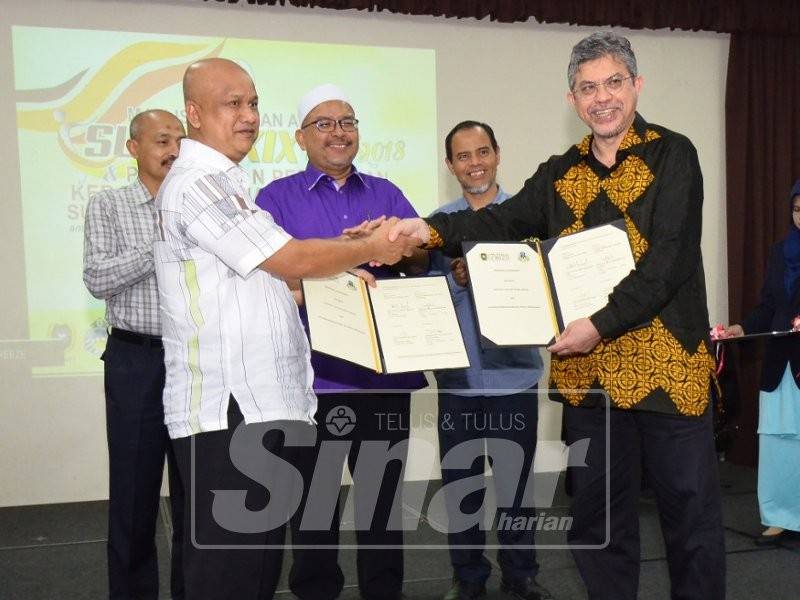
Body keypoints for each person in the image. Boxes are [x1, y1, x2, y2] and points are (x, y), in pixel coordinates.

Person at [388, 32, 725, 600]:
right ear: (572, 99)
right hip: (589, 381)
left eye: (614, 83)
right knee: (599, 524)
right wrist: (430, 231)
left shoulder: (675, 154)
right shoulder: (558, 173)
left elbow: (668, 263)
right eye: (588, 87)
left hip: (668, 369)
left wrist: (597, 324)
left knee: (690, 521)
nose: (603, 98)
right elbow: (502, 221)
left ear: (636, 86)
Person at [154, 60, 421, 600]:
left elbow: (273, 286)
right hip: (228, 414)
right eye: (233, 104)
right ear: (194, 113)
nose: (249, 116)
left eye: (253, 103)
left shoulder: (229, 185)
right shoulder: (200, 186)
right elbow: (291, 258)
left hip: (261, 409)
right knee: (232, 574)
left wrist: (347, 277)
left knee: (255, 572)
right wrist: (369, 247)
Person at [255, 84, 428, 600]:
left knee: (382, 508)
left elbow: (421, 261)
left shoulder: (386, 193)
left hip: (383, 378)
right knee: (313, 510)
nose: (338, 132)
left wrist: (402, 244)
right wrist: (343, 254)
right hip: (312, 383)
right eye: (324, 124)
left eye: (347, 122)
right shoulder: (274, 198)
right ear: (301, 138)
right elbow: (267, 281)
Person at [429, 121, 549, 600]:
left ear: (498, 153)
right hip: (458, 379)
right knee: (460, 486)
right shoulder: (436, 224)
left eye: (482, 151)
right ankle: (469, 578)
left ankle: (521, 575)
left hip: (515, 376)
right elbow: (425, 303)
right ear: (450, 165)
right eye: (463, 156)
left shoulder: (528, 218)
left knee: (516, 486)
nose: (474, 163)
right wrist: (458, 277)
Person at [83, 109, 186, 600]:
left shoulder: (201, 206)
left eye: (181, 141)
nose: (174, 150)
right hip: (135, 362)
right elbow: (98, 278)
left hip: (195, 361)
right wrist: (160, 244)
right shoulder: (108, 206)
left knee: (196, 500)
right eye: (163, 140)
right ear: (133, 148)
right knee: (133, 498)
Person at [723, 179, 800, 545]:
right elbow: (770, 305)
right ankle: (780, 515)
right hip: (778, 362)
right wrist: (741, 327)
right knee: (777, 441)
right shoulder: (779, 251)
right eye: (797, 208)